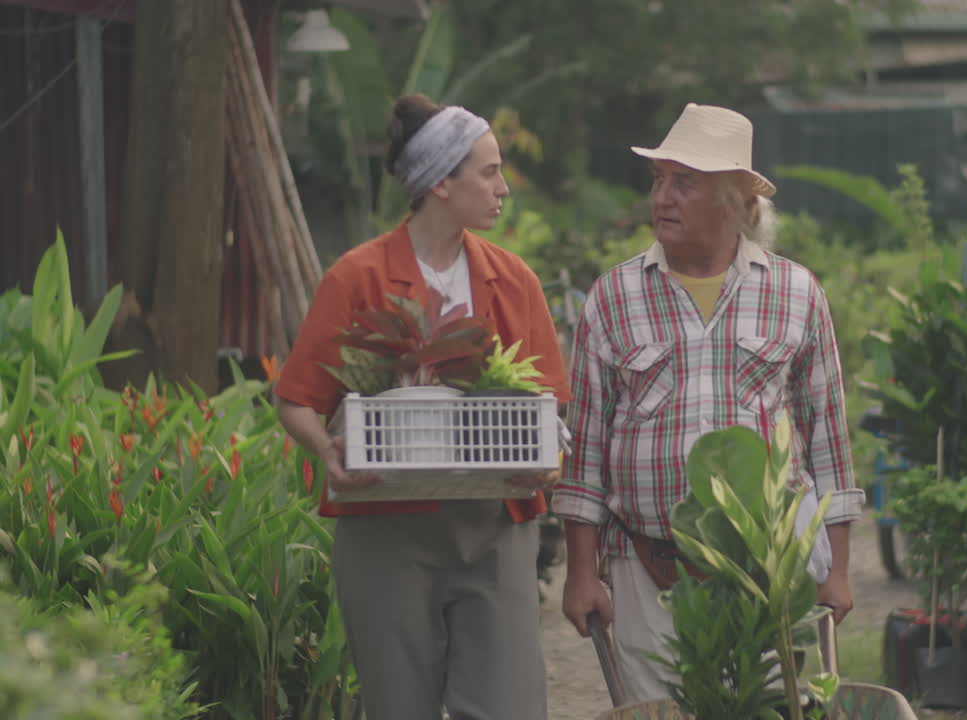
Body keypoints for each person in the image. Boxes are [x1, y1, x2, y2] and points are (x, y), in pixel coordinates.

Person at [552, 102, 864, 704]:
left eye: (684, 183)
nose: (662, 198)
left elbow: (828, 441)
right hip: (648, 568)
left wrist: (840, 570)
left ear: (736, 203)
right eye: (658, 180)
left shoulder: (796, 293)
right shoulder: (614, 296)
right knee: (659, 715)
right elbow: (586, 453)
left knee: (766, 710)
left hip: (769, 572)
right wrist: (581, 572)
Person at [274, 94, 569, 720]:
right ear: (441, 183)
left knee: (510, 705)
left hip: (495, 524)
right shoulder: (357, 277)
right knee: (398, 705)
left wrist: (550, 462)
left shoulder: (513, 280)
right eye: (489, 173)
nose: (503, 189)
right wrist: (327, 449)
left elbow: (550, 409)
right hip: (387, 525)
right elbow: (297, 400)